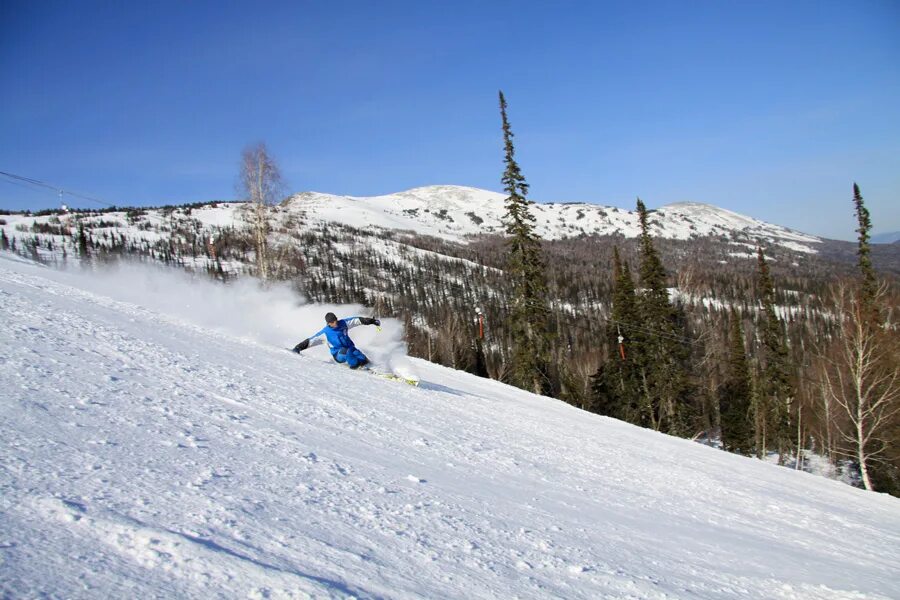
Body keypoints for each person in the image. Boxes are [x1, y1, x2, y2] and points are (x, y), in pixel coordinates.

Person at [292, 312, 381, 369]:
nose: (335, 323)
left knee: (360, 356)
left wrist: (371, 321)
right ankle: (355, 366)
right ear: (328, 323)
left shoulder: (343, 323)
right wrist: (298, 348)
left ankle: (370, 365)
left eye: (335, 321)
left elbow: (357, 320)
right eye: (332, 322)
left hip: (350, 348)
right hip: (338, 354)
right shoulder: (326, 333)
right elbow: (311, 341)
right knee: (348, 352)